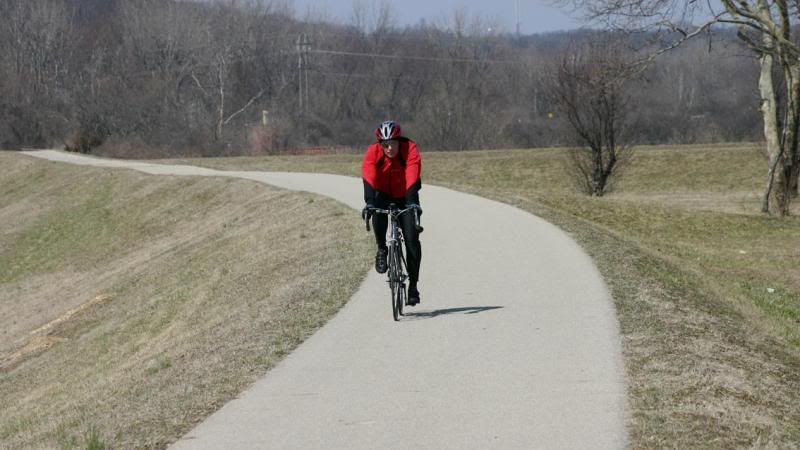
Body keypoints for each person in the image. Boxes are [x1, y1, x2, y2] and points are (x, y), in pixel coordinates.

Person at [361, 120, 423, 306]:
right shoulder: (373, 152)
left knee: (412, 240)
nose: (389, 149)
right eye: (385, 145)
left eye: (393, 144)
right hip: (382, 194)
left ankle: (413, 286)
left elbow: (412, 173)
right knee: (377, 214)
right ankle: (382, 249)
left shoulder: (410, 148)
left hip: (406, 195)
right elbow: (369, 175)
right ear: (380, 145)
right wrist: (369, 202)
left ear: (398, 141)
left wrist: (412, 202)